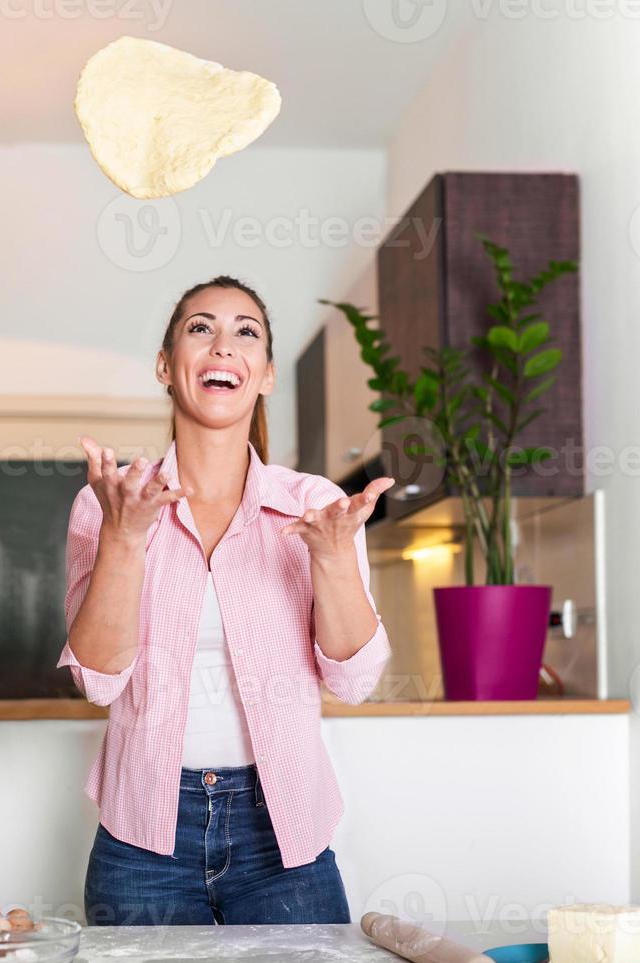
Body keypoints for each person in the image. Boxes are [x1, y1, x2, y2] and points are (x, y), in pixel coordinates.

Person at [58, 274, 395, 926]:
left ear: (265, 374)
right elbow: (97, 681)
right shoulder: (109, 502)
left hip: (285, 831)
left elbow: (354, 680)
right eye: (200, 328)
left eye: (246, 332)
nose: (223, 345)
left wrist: (331, 559)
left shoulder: (312, 504)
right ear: (165, 365)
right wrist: (124, 541)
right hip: (143, 839)